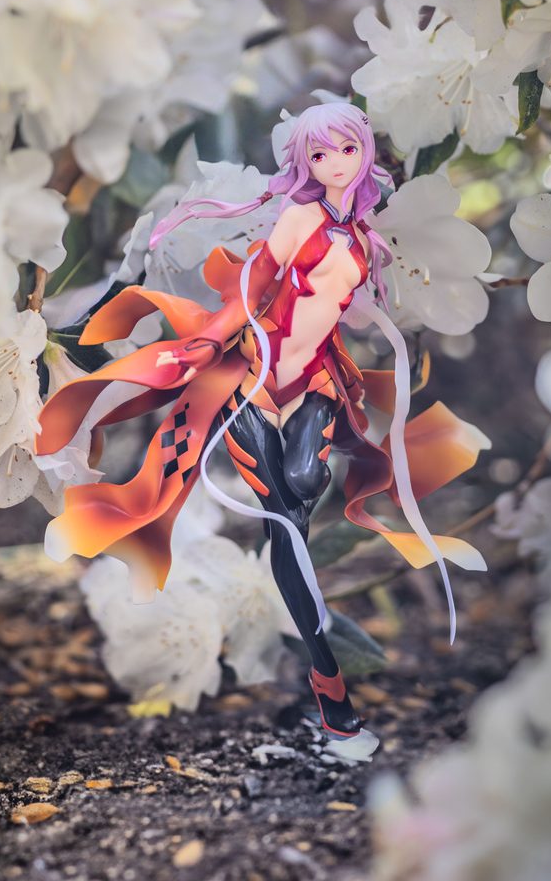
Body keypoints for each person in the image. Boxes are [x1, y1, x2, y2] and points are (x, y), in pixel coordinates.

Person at [35, 101, 489, 754]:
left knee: (304, 486)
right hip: (251, 374)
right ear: (304, 164)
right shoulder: (298, 217)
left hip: (318, 379)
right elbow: (254, 281)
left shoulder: (365, 236)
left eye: (343, 151)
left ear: (363, 153)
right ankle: (334, 703)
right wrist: (206, 342)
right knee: (283, 516)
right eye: (318, 155)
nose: (333, 165)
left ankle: (326, 691)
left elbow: (358, 313)